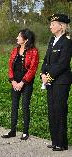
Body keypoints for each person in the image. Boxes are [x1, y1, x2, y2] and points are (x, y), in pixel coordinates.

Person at [41, 14, 72, 151]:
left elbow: (63, 64)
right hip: (50, 81)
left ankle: (61, 143)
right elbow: (46, 60)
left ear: (61, 26)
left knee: (59, 111)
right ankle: (55, 141)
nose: (50, 26)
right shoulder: (52, 40)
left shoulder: (67, 42)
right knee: (52, 111)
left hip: (61, 82)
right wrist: (42, 74)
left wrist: (49, 76)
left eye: (53, 24)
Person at [1, 29, 39, 140]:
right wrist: (13, 81)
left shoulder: (34, 51)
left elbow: (32, 69)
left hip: (26, 83)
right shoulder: (14, 50)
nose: (17, 38)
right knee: (14, 106)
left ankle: (25, 132)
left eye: (19, 36)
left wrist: (22, 82)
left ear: (26, 39)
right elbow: (10, 67)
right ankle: (12, 131)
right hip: (15, 82)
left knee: (25, 106)